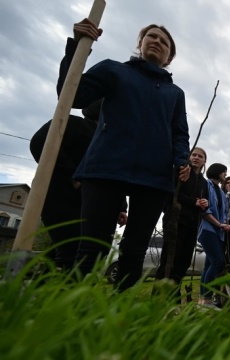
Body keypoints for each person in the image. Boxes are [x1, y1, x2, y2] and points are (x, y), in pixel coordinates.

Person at [58, 19, 190, 291]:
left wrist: (182, 160)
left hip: (154, 177)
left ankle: (123, 318)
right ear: (140, 43)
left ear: (169, 57)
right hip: (106, 166)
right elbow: (72, 95)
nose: (157, 41)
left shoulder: (175, 94)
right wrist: (77, 47)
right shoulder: (114, 71)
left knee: (135, 248)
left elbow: (179, 133)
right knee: (92, 243)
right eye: (151, 37)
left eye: (164, 42)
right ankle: (74, 309)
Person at [30, 100, 127, 271]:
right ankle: (59, 292)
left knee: (92, 251)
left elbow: (113, 175)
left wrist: (121, 207)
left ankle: (48, 288)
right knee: (70, 250)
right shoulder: (72, 124)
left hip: (95, 205)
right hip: (63, 200)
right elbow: (39, 143)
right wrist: (73, 176)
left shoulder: (110, 139)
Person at [155, 147, 209, 302]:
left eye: (200, 156)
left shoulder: (204, 183)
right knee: (170, 259)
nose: (196, 158)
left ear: (205, 161)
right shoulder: (181, 172)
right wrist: (194, 201)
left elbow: (204, 203)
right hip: (176, 220)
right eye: (194, 155)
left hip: (193, 224)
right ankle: (159, 297)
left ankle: (174, 296)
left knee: (184, 261)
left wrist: (205, 203)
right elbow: (172, 194)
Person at [198, 163, 230, 309]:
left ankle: (202, 301)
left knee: (209, 265)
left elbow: (225, 213)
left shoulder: (221, 192)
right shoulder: (206, 185)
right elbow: (204, 210)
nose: (225, 174)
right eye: (224, 172)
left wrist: (225, 223)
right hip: (207, 230)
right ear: (216, 171)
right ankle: (206, 300)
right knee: (218, 262)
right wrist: (219, 224)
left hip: (218, 232)